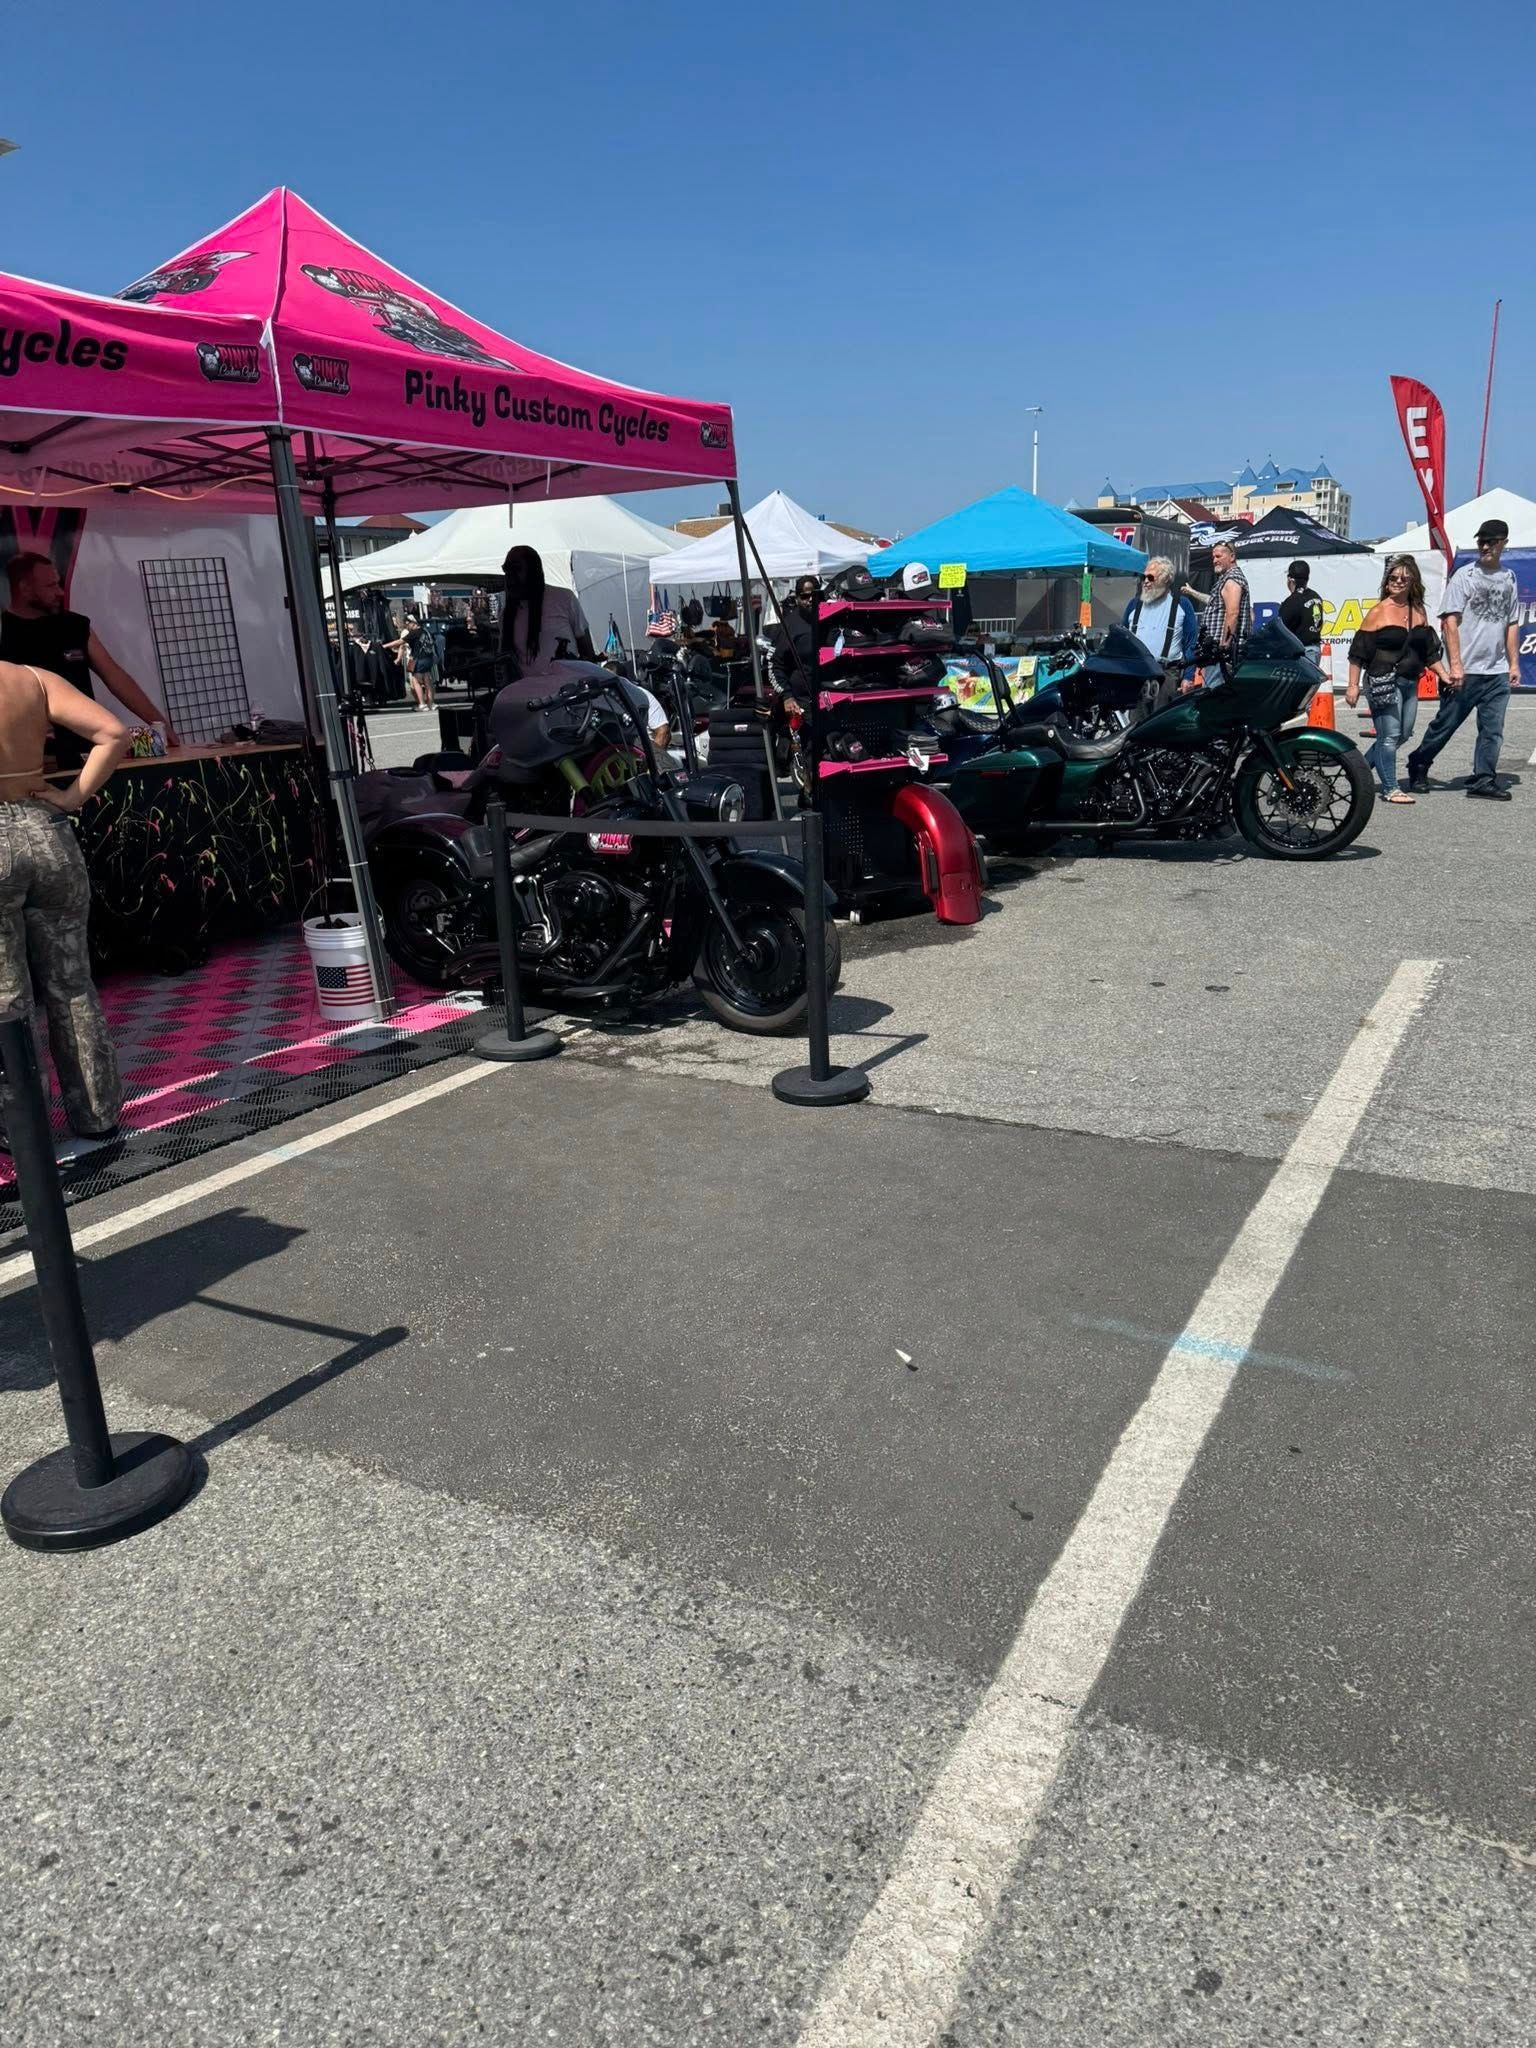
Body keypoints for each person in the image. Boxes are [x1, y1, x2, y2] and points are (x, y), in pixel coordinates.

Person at [0, 656, 130, 1140]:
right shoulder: (34, 678)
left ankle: (25, 1130)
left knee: (6, 997)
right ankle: (97, 1112)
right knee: (71, 983)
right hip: (46, 830)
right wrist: (72, 796)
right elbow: (113, 734)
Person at [1, 553, 177, 764]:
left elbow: (116, 677)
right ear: (25, 588)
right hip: (30, 761)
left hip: (87, 755)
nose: (59, 592)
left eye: (58, 584)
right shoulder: (4, 632)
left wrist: (160, 725)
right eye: (50, 586)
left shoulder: (75, 626)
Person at [1406, 520, 1522, 800]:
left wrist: (1513, 664)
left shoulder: (1509, 578)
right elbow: (1449, 622)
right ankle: (1419, 762)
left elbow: (1512, 623)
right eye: (1481, 541)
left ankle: (1483, 779)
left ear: (1503, 543)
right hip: (1465, 670)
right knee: (1446, 724)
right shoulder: (1465, 576)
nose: (1484, 547)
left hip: (1495, 671)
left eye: (1491, 541)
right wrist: (1455, 664)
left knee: (1493, 730)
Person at [1345, 557, 1445, 805]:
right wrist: (1352, 686)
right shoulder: (1378, 612)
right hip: (1383, 681)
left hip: (1410, 682)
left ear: (1413, 582)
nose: (1397, 582)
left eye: (1403, 578)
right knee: (1389, 736)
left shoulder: (1418, 611)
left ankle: (1358, 770)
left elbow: (1430, 652)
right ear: (1386, 582)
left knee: (1404, 733)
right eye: (1393, 578)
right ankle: (1390, 788)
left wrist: (1445, 674)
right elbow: (1358, 652)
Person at [499, 545, 597, 675]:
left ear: (533, 571)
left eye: (516, 569)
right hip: (526, 693)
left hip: (567, 690)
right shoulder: (507, 615)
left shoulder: (564, 598)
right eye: (506, 571)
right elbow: (505, 665)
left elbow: (587, 653)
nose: (510, 577)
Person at [1122, 558, 1199, 708]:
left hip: (1167, 675)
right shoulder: (1133, 605)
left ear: (1165, 579)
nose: (1145, 581)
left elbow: (1191, 644)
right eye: (1143, 577)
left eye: (1150, 577)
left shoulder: (1181, 604)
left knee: (1162, 725)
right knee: (1135, 726)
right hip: (1137, 675)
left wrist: (1188, 677)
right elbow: (1123, 640)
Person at [1191, 538, 1252, 690]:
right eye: (1213, 557)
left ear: (1232, 557)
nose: (1214, 560)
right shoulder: (1226, 579)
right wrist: (1191, 592)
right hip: (1217, 654)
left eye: (1219, 557)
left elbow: (1232, 613)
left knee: (1213, 696)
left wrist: (1224, 646)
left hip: (1221, 655)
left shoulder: (1232, 580)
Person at [1278, 560, 1325, 647]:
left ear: (1290, 579)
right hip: (1315, 648)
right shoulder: (1316, 596)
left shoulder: (1292, 601)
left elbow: (1281, 630)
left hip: (1300, 652)